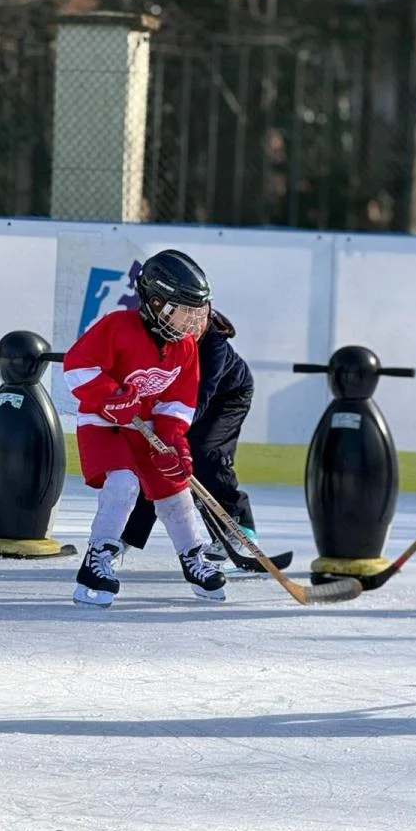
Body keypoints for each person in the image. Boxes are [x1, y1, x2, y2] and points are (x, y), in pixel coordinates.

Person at [63, 249, 226, 607]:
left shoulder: (185, 346)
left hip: (147, 427)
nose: (193, 321)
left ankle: (193, 558)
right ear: (156, 303)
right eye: (185, 311)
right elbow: (77, 366)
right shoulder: (116, 327)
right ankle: (97, 560)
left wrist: (174, 442)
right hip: (103, 424)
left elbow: (178, 402)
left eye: (197, 312)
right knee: (123, 484)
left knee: (176, 489)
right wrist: (110, 396)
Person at [120, 305, 266, 568]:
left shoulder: (214, 346)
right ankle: (128, 535)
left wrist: (173, 430)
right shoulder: (159, 334)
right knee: (156, 459)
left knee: (204, 454)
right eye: (187, 319)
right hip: (180, 401)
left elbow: (202, 395)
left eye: (199, 320)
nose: (193, 326)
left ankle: (238, 528)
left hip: (225, 399)